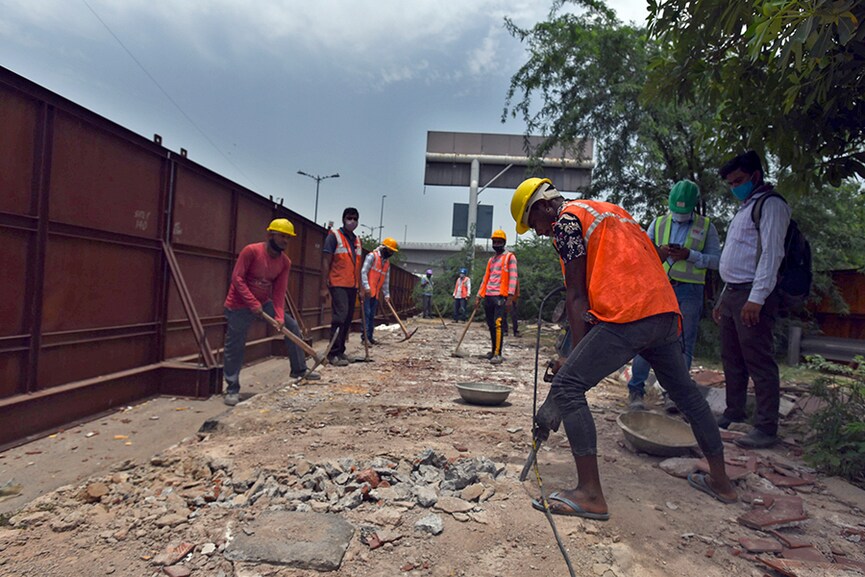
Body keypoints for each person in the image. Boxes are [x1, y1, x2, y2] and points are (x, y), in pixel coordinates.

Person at [511, 177, 735, 520]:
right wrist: (574, 349)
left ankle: (590, 495)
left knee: (568, 387)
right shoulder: (609, 211)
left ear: (543, 207)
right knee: (686, 394)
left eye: (534, 224)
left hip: (629, 314)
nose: (540, 233)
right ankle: (721, 482)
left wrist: (572, 358)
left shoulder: (566, 222)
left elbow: (575, 297)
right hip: (662, 310)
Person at [714, 151, 791, 449]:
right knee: (732, 358)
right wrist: (723, 297)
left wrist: (757, 298)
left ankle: (766, 427)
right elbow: (738, 257)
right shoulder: (745, 208)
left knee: (758, 360)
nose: (735, 187)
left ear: (755, 177)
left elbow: (772, 255)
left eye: (739, 181)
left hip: (752, 294)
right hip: (733, 292)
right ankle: (734, 412)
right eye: (731, 183)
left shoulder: (771, 206)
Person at [627, 180, 721, 412]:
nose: (679, 215)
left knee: (683, 344)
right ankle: (636, 391)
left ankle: (675, 395)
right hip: (659, 287)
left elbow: (717, 261)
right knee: (646, 338)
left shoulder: (707, 227)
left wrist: (691, 255)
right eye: (676, 210)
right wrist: (659, 253)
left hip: (690, 292)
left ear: (693, 206)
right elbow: (641, 254)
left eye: (684, 211)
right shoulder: (658, 223)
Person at [222, 218, 320, 406]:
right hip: (238, 305)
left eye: (288, 238)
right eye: (282, 236)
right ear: (270, 235)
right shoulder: (251, 251)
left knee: (291, 326)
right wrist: (252, 303)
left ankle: (299, 370)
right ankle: (232, 388)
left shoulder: (285, 262)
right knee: (235, 345)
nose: (285, 241)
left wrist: (280, 317)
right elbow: (237, 278)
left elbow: (279, 292)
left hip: (263, 303)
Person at [320, 207, 362, 367]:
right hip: (337, 283)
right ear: (343, 219)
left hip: (351, 285)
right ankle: (332, 353)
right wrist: (324, 286)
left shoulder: (356, 240)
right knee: (340, 316)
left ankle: (341, 351)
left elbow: (357, 265)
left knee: (348, 317)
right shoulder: (334, 237)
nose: (352, 221)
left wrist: (360, 286)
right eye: (349, 218)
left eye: (355, 219)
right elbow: (325, 261)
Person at [475, 229, 518, 365]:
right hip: (488, 295)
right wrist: (479, 295)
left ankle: (498, 354)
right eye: (494, 242)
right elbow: (485, 278)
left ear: (504, 243)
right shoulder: (491, 260)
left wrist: (510, 297)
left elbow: (513, 277)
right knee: (491, 325)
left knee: (498, 324)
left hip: (500, 296)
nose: (496, 244)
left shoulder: (510, 257)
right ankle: (493, 351)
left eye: (499, 242)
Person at [361, 237, 398, 345]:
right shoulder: (372, 256)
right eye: (390, 250)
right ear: (384, 248)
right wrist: (366, 287)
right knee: (366, 314)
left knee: (372, 315)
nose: (391, 253)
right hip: (367, 291)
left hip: (375, 293)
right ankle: (365, 338)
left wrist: (386, 294)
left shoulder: (386, 263)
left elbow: (386, 280)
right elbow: (363, 272)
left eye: (392, 251)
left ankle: (370, 337)